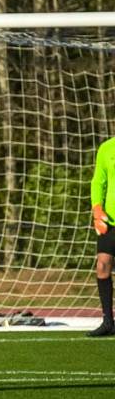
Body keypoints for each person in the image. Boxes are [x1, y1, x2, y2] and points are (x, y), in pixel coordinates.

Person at [88, 136, 115, 337]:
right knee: (102, 266)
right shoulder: (106, 148)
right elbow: (98, 180)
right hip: (111, 221)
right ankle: (107, 321)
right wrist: (97, 208)